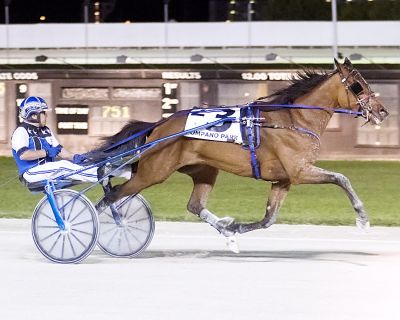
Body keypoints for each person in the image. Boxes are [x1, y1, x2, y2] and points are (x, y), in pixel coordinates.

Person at [11, 96, 98, 184]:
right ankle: (99, 175)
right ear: (33, 115)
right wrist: (47, 152)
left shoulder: (46, 130)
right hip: (30, 172)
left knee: (70, 165)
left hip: (47, 169)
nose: (46, 116)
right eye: (43, 113)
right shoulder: (21, 131)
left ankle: (98, 170)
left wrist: (75, 157)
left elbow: (59, 151)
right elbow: (24, 155)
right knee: (63, 166)